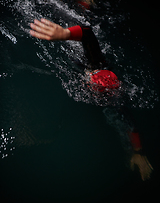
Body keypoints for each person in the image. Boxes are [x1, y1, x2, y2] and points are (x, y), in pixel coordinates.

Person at [30, 18, 153, 181]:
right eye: (90, 78)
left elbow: (130, 122)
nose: (87, 78)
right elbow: (87, 32)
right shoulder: (96, 62)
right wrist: (65, 33)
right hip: (70, 35)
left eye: (90, 83)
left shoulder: (113, 98)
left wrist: (138, 153)